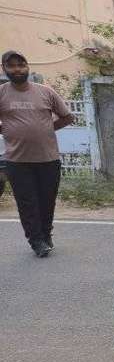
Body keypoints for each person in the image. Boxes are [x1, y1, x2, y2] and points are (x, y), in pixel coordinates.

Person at [0, 51, 74, 258]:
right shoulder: (2, 93)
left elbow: (68, 117)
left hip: (48, 158)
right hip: (17, 160)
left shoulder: (45, 92)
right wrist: (7, 130)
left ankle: (46, 235)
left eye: (21, 65)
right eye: (11, 65)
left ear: (27, 66)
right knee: (27, 203)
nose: (17, 69)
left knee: (46, 201)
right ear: (4, 68)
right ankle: (36, 241)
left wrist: (46, 129)